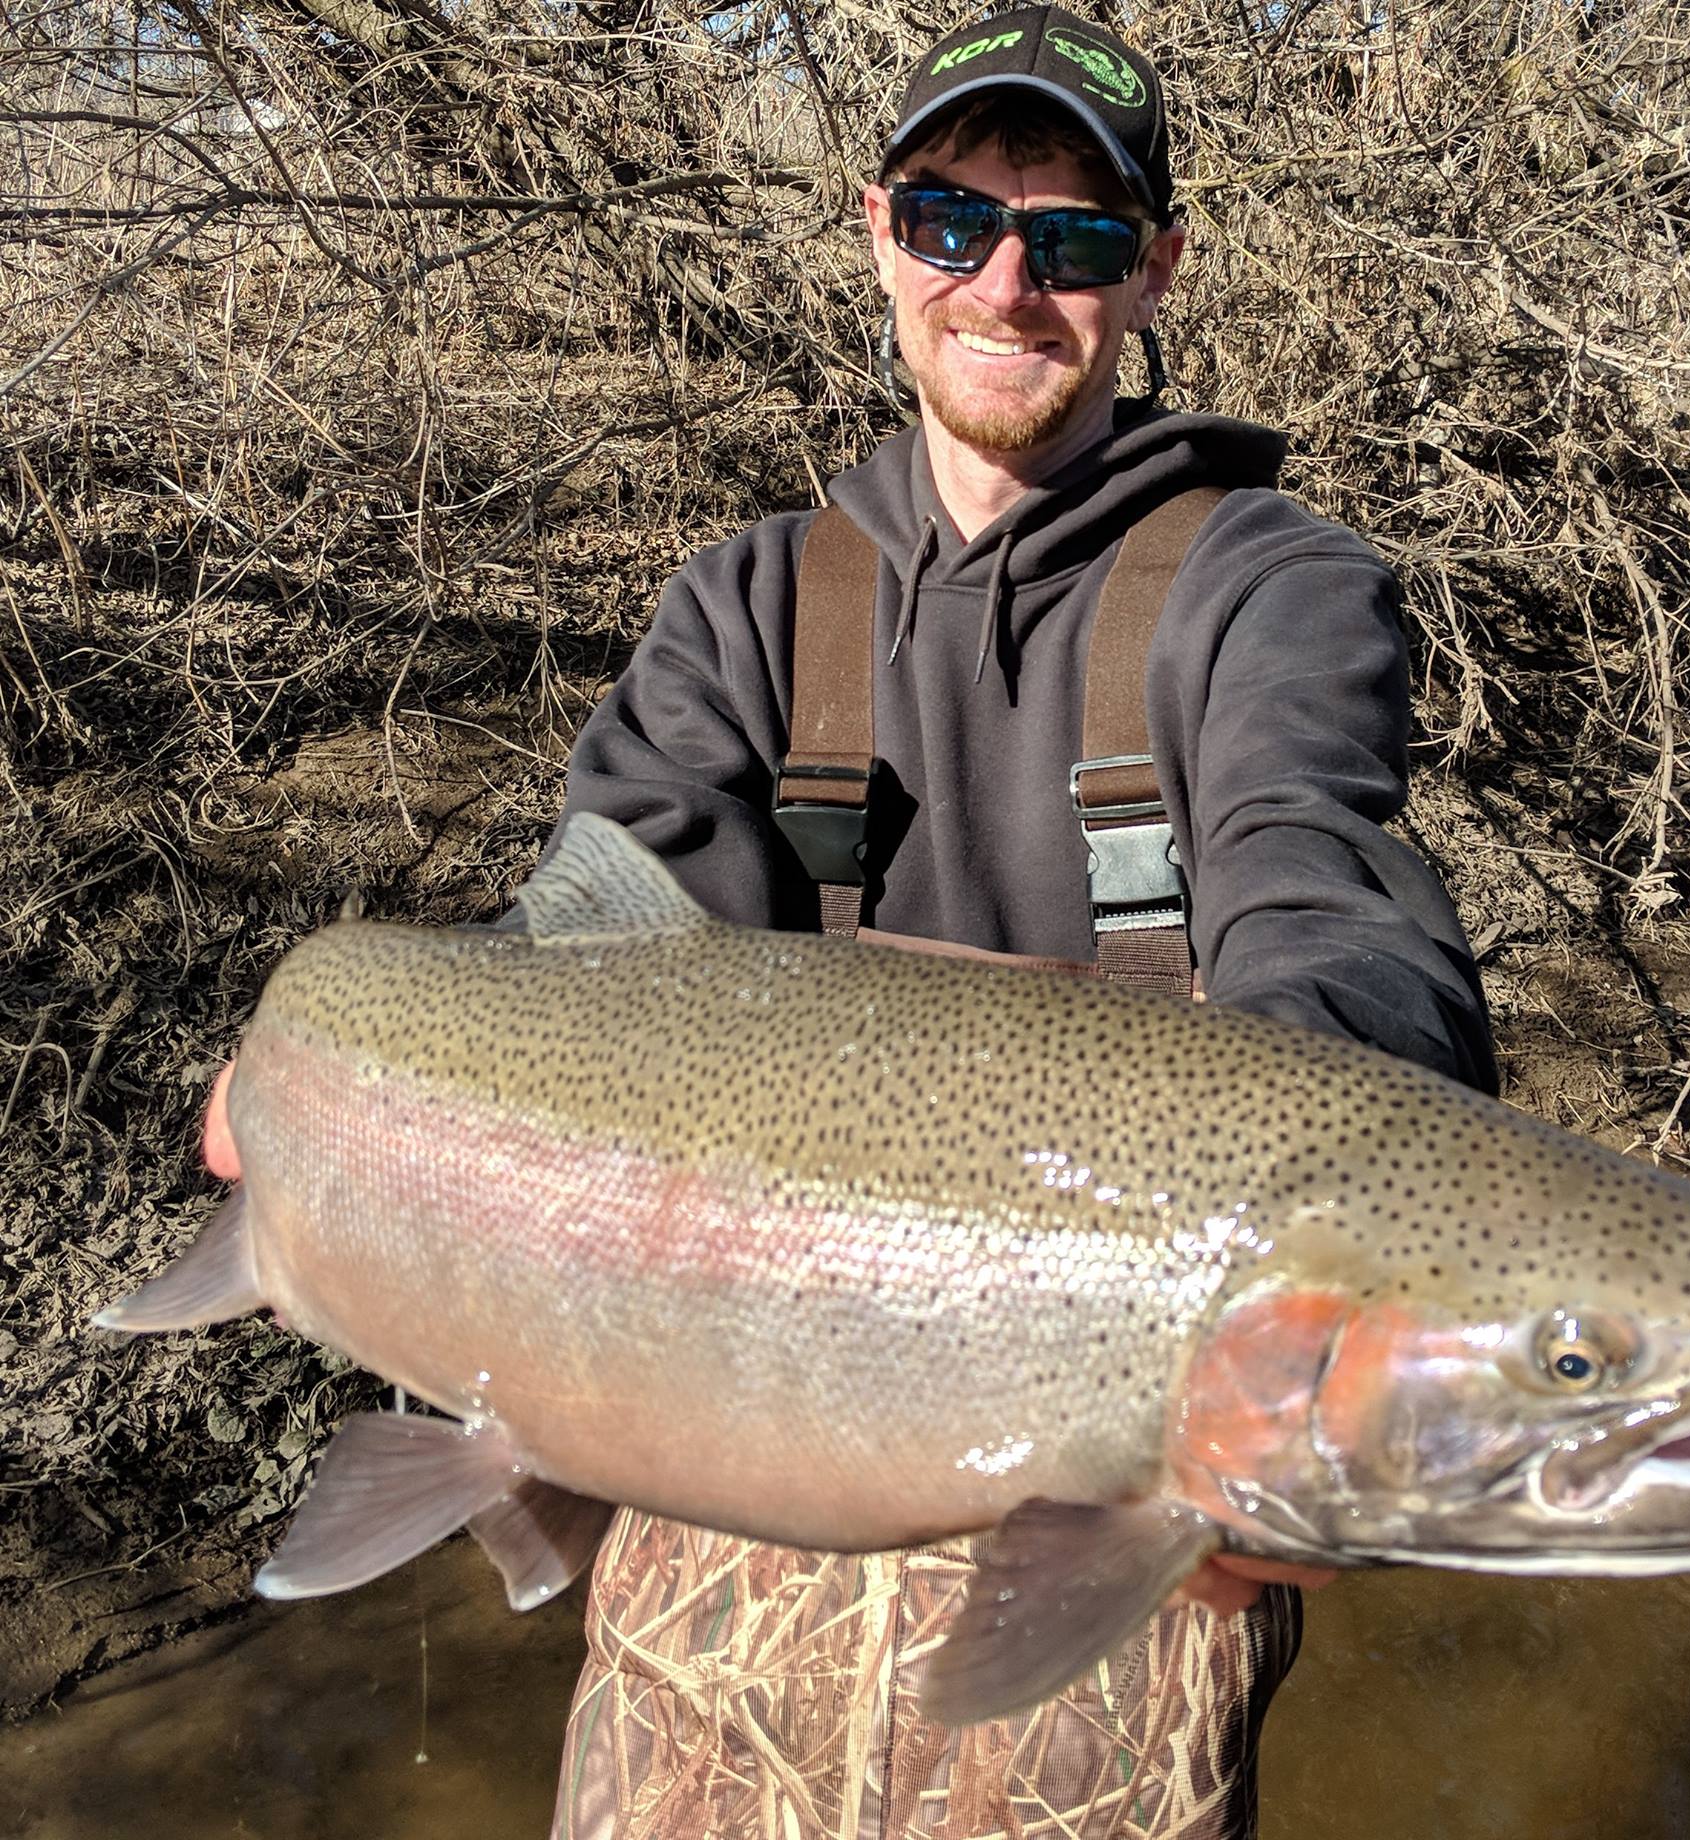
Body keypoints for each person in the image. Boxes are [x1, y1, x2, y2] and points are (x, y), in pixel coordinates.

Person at [206, 7, 1494, 1834]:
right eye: (956, 223)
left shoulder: (1264, 591)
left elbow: (1326, 883)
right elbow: (584, 970)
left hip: (1113, 1509)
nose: (1007, 287)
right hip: (720, 1473)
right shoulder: (742, 608)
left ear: (1156, 275)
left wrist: (1320, 1321)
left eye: (1079, 239)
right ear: (881, 232)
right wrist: (330, 1090)